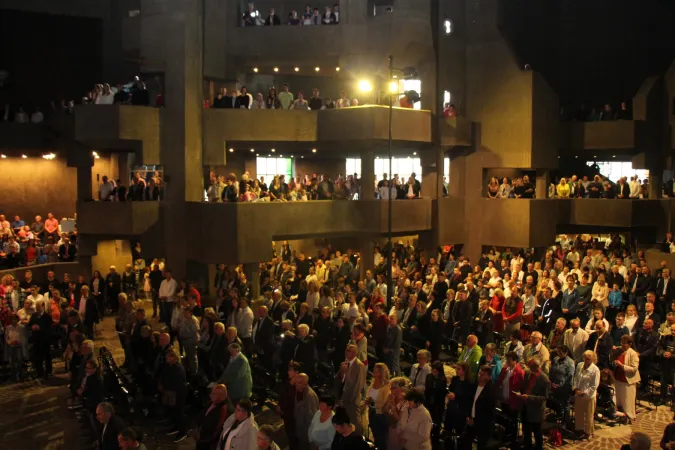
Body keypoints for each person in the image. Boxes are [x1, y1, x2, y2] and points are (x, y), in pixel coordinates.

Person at [514, 358, 550, 450]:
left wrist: (529, 397)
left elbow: (544, 398)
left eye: (530, 366)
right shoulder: (528, 373)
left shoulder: (544, 379)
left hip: (536, 411)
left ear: (535, 366)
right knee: (526, 432)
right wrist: (520, 392)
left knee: (537, 434)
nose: (528, 368)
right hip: (526, 407)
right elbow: (524, 387)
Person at [334, 344, 366, 435]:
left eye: (349, 350)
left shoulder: (359, 366)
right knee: (343, 423)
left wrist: (346, 373)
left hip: (352, 400)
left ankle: (358, 440)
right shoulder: (344, 363)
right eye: (346, 350)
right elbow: (338, 379)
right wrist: (341, 373)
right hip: (341, 397)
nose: (347, 352)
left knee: (354, 423)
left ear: (355, 353)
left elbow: (358, 385)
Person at [464, 365, 497, 450]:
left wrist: (474, 421)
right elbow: (470, 401)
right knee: (466, 441)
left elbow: (487, 410)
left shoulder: (491, 390)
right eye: (479, 373)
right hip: (471, 419)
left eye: (483, 375)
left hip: (483, 424)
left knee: (481, 446)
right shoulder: (475, 385)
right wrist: (468, 416)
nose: (480, 376)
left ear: (489, 377)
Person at [572, 350, 600, 440]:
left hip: (589, 396)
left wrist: (585, 393)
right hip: (578, 393)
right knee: (579, 414)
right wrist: (576, 389)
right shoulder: (580, 365)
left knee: (589, 415)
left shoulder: (595, 370)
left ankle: (588, 432)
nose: (586, 359)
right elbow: (575, 378)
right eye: (585, 358)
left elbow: (594, 385)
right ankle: (579, 430)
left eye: (588, 358)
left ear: (593, 358)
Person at [195, 384, 231, 450]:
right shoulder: (212, 403)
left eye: (213, 394)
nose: (210, 395)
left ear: (220, 396)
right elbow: (201, 415)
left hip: (208, 440)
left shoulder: (223, 410)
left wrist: (200, 435)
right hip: (202, 436)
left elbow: (212, 427)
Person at [613, 335, 640, 422]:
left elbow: (634, 369)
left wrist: (622, 365)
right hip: (618, 378)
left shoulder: (633, 354)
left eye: (624, 343)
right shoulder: (620, 351)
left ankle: (629, 416)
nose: (622, 345)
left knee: (627, 399)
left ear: (630, 344)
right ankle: (621, 414)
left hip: (628, 380)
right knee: (619, 398)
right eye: (622, 343)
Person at [367, 363, 391, 450]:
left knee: (382, 439)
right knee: (375, 436)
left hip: (381, 414)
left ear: (382, 373)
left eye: (376, 372)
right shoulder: (373, 382)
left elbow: (385, 402)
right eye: (374, 371)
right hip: (372, 412)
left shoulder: (387, 386)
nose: (374, 374)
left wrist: (373, 402)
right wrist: (368, 400)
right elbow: (370, 394)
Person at [294, 373, 319, 450]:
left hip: (308, 433)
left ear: (304, 384)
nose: (295, 385)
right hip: (302, 431)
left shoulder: (309, 396)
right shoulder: (299, 391)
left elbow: (312, 416)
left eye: (298, 383)